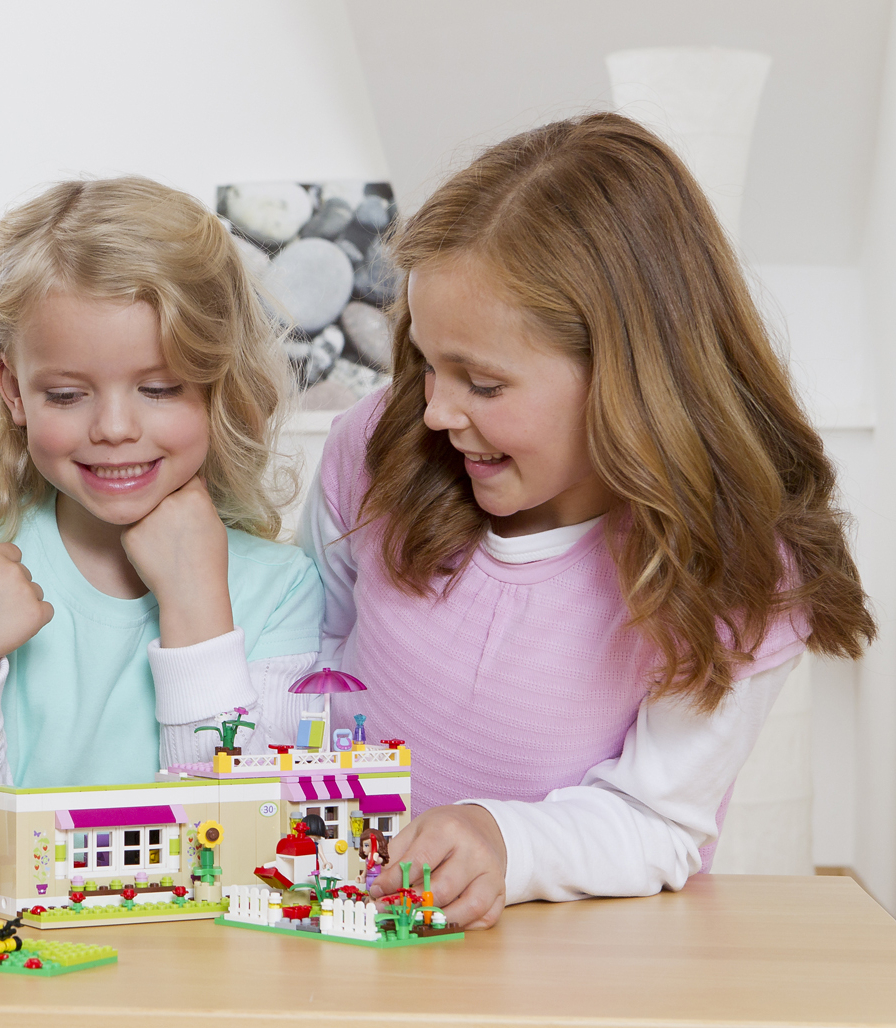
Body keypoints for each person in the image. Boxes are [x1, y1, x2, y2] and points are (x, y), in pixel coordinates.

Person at [304, 112, 876, 930]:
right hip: (339, 924)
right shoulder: (377, 447)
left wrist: (504, 841)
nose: (435, 411)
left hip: (565, 959)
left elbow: (657, 820)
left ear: (627, 379)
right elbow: (304, 649)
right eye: (428, 364)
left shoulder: (729, 572)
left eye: (483, 384)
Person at [0, 177, 323, 789]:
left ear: (220, 384)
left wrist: (196, 611)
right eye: (66, 394)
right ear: (12, 388)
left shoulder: (280, 591)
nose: (113, 428)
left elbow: (251, 830)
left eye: (159, 389)